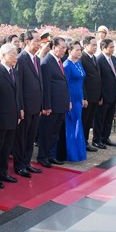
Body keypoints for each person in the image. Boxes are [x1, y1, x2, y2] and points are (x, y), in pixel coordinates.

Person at [0, 44, 23, 188]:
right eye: (12, 54)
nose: (16, 57)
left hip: (13, 116)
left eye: (16, 54)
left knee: (7, 147)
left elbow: (18, 93)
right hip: (1, 118)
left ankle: (3, 172)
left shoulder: (14, 72)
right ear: (3, 55)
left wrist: (20, 109)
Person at [14, 30, 45, 175]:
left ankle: (27, 162)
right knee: (22, 138)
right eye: (37, 41)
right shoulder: (21, 59)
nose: (39, 44)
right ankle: (19, 165)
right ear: (27, 42)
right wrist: (20, 107)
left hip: (35, 106)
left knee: (31, 137)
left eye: (40, 41)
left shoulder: (37, 59)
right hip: (25, 107)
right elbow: (18, 87)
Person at [37, 37, 71, 167]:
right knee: (47, 132)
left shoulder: (58, 61)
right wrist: (46, 106)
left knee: (54, 133)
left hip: (60, 104)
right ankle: (42, 156)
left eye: (65, 48)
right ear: (53, 47)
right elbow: (45, 87)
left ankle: (50, 155)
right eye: (61, 48)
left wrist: (67, 101)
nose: (64, 50)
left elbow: (63, 83)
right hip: (51, 106)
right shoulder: (47, 62)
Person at [93, 38, 116, 149]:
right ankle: (97, 140)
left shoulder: (113, 58)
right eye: (111, 47)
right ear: (103, 48)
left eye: (113, 47)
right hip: (104, 95)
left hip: (113, 93)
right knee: (100, 118)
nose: (113, 49)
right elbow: (98, 80)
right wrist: (100, 96)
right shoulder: (99, 60)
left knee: (109, 118)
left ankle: (105, 137)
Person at [63, 40, 87, 162]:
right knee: (72, 126)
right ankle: (71, 154)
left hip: (78, 98)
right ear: (69, 51)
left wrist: (82, 97)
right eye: (76, 50)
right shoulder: (66, 65)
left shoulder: (78, 63)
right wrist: (68, 101)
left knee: (78, 124)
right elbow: (65, 85)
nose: (79, 52)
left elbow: (81, 82)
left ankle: (79, 152)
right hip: (71, 99)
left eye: (80, 50)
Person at [80, 36, 101, 152]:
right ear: (85, 45)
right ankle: (83, 142)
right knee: (84, 120)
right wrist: (84, 97)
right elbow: (82, 81)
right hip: (87, 96)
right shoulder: (82, 59)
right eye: (93, 45)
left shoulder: (94, 58)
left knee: (89, 121)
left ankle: (86, 140)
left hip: (95, 96)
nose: (95, 47)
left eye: (96, 45)